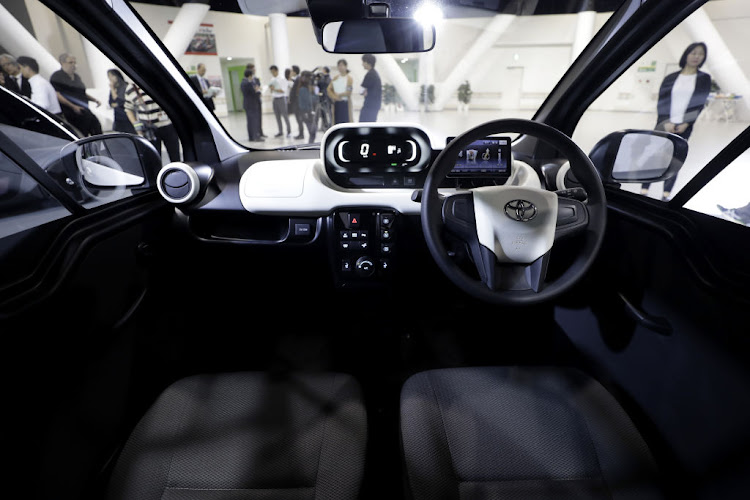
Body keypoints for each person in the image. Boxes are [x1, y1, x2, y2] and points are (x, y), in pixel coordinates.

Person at [641, 42, 711, 201]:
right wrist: (666, 122)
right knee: (653, 157)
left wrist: (686, 122)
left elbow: (700, 103)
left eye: (700, 54)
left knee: (674, 160)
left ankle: (666, 195)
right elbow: (662, 101)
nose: (696, 56)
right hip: (663, 124)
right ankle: (644, 190)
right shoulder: (671, 78)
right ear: (686, 54)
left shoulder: (704, 79)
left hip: (684, 127)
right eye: (693, 53)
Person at [124, 82, 181, 162]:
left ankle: (177, 173)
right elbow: (128, 109)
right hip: (149, 129)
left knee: (175, 157)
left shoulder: (157, 81)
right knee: (154, 160)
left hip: (168, 126)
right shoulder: (131, 88)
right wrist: (136, 125)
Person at [50, 52, 103, 136]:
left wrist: (94, 100)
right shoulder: (57, 77)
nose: (73, 65)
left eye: (74, 62)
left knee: (96, 127)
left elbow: (81, 92)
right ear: (62, 63)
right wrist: (73, 106)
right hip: (71, 113)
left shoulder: (76, 77)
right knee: (81, 133)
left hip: (84, 109)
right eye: (70, 62)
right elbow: (57, 94)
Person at [107, 68, 135, 134]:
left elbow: (121, 102)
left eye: (112, 76)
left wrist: (113, 90)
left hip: (127, 117)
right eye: (109, 77)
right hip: (118, 118)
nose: (110, 79)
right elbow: (111, 103)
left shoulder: (125, 86)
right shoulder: (112, 89)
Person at [327, 59, 353, 124]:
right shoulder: (336, 77)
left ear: (346, 66)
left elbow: (349, 92)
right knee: (336, 121)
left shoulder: (349, 78)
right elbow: (329, 89)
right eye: (339, 66)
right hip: (337, 103)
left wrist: (340, 95)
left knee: (346, 121)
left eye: (342, 65)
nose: (340, 67)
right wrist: (334, 97)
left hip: (345, 103)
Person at [269, 65, 291, 137]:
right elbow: (271, 91)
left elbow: (283, 91)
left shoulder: (282, 79)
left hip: (281, 99)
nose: (272, 73)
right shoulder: (272, 79)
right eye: (271, 72)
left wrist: (274, 89)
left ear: (277, 71)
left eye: (273, 72)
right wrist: (271, 89)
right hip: (275, 99)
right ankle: (280, 131)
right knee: (277, 116)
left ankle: (288, 131)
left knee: (285, 116)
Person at [240, 68, 262, 141]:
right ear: (250, 75)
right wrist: (258, 91)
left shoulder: (243, 82)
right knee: (254, 121)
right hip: (252, 104)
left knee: (250, 122)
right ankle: (255, 137)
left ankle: (251, 137)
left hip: (247, 104)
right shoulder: (248, 83)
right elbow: (254, 93)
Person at [359, 54, 382, 123]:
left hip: (369, 105)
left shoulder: (370, 74)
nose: (362, 64)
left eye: (363, 62)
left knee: (364, 123)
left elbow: (361, 91)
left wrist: (364, 92)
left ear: (367, 62)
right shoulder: (375, 73)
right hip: (375, 104)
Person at [296, 70, 317, 143]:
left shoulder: (303, 88)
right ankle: (310, 146)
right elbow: (311, 100)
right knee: (312, 132)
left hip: (306, 112)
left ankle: (310, 145)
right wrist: (315, 93)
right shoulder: (303, 89)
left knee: (312, 132)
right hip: (306, 113)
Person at [246, 63, 266, 139]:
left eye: (254, 69)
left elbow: (259, 87)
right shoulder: (246, 81)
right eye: (252, 69)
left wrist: (260, 90)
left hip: (258, 100)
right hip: (251, 102)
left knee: (259, 117)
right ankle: (255, 134)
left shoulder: (256, 79)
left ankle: (260, 132)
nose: (254, 70)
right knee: (253, 119)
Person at [287, 65, 305, 139]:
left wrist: (290, 99)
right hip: (296, 102)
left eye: (291, 70)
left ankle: (301, 134)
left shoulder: (298, 78)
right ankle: (300, 133)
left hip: (297, 102)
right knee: (298, 118)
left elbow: (294, 91)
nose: (290, 72)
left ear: (294, 71)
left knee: (299, 118)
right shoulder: (297, 78)